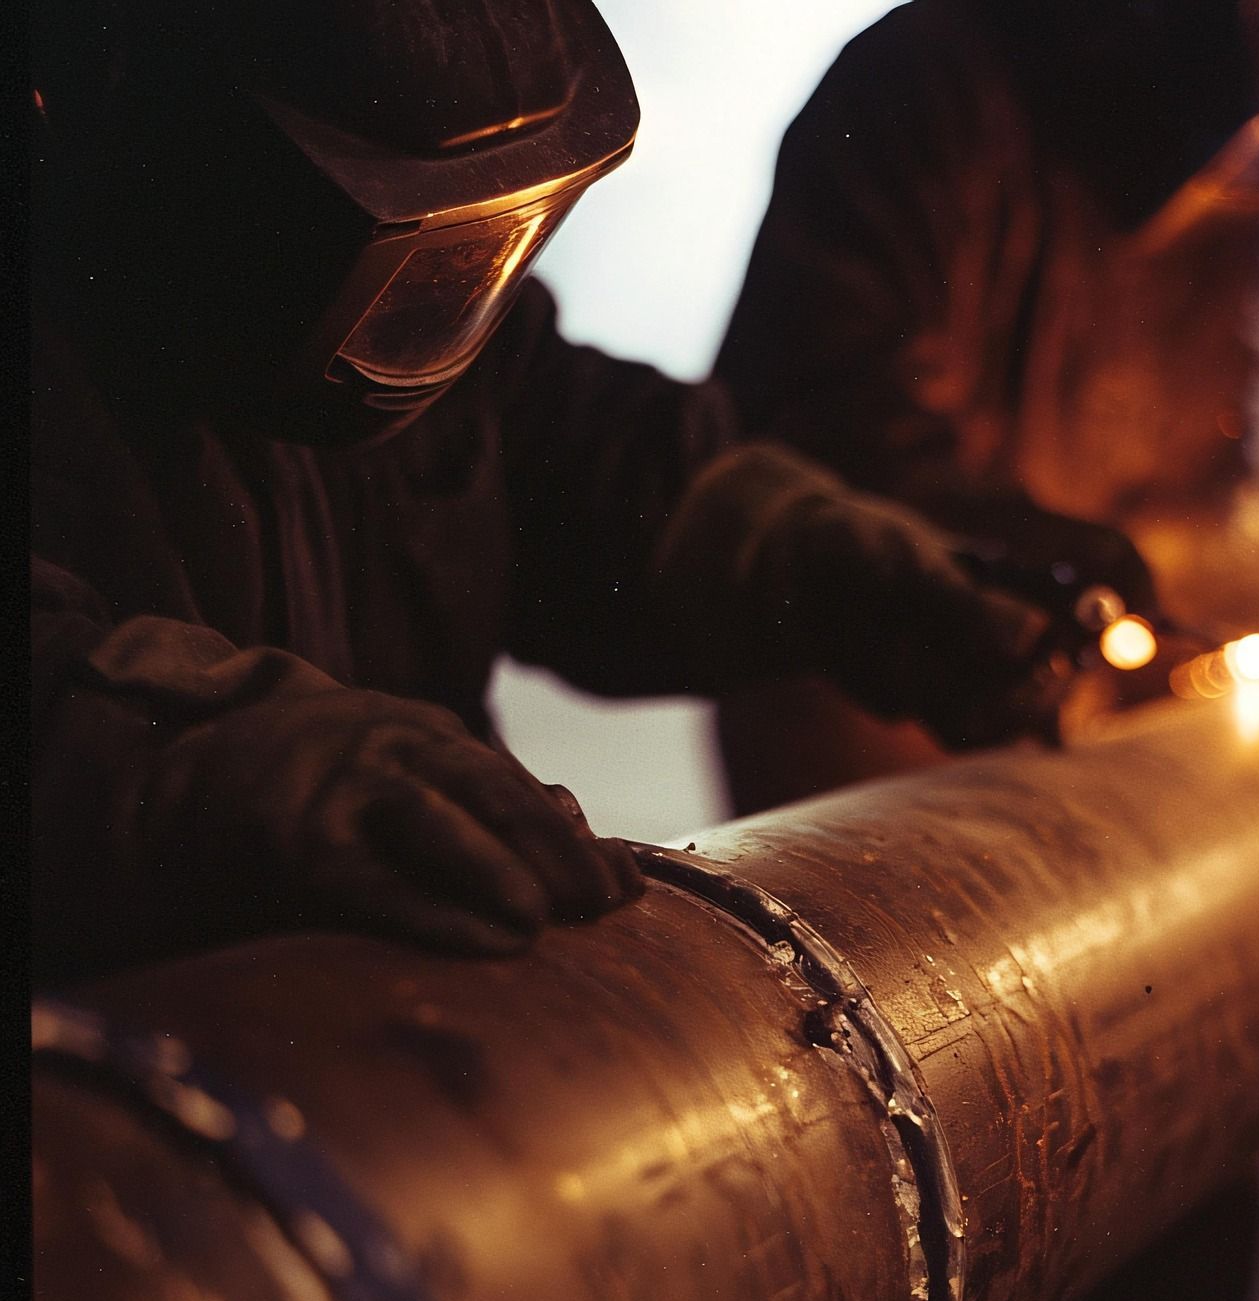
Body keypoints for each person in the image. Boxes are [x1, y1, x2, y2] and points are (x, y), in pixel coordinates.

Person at [713, 0, 1259, 1301]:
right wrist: (1107, 574)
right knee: (974, 1096)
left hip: (1112, 650)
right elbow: (836, 432)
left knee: (1222, 981)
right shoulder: (927, 92)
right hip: (870, 663)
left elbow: (1226, 412)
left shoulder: (1246, 141)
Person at [29, 0, 1071, 988]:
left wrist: (821, 557)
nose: (451, 300)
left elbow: (578, 453)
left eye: (488, 250)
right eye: (426, 256)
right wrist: (206, 773)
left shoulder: (412, 329)